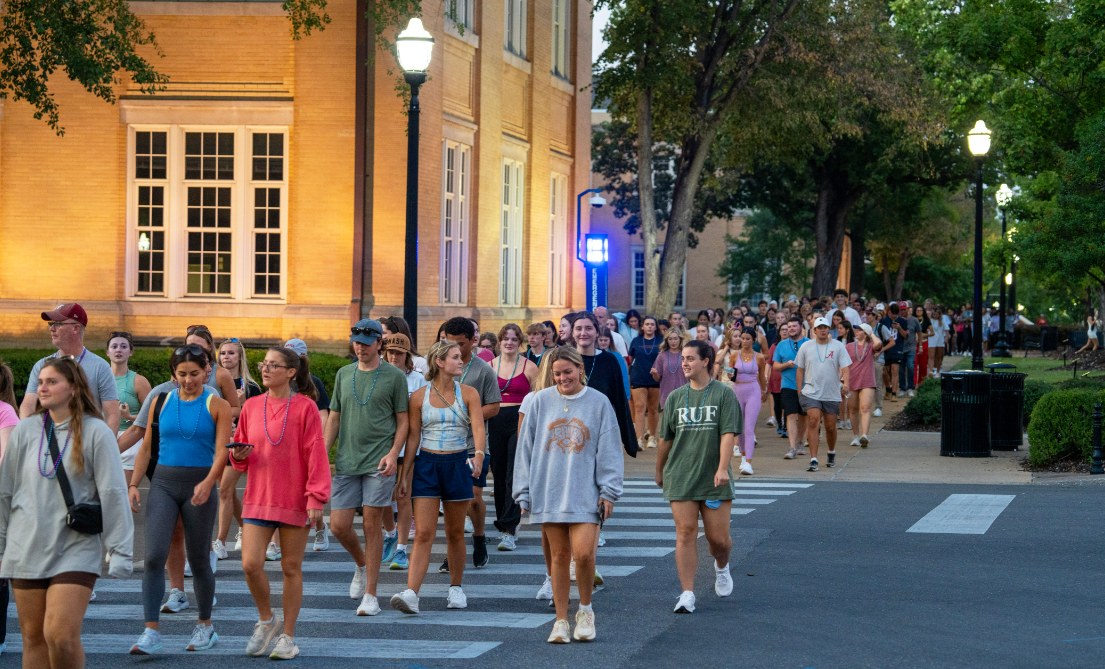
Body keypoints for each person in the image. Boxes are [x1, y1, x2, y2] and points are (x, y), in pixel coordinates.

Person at [0, 357, 133, 668]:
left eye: (51, 382)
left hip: (75, 547)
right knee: (33, 637)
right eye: (40, 382)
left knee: (59, 635)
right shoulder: (26, 430)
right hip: (25, 547)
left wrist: (120, 550)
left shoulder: (96, 431)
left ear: (73, 388)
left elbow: (113, 493)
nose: (42, 388)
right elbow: (4, 493)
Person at [128, 345, 233, 654]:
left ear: (207, 371)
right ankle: (151, 631)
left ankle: (205, 626)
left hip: (199, 484)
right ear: (173, 374)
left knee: (199, 559)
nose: (188, 381)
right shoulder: (161, 400)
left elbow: (222, 450)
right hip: (162, 483)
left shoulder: (218, 404)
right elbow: (147, 446)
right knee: (154, 555)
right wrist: (134, 483)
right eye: (182, 374)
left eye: (195, 374)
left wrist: (209, 482)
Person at [514, 346, 623, 642]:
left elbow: (610, 450)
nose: (563, 378)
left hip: (585, 491)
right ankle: (560, 619)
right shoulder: (539, 401)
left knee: (585, 554)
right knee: (559, 556)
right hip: (548, 489)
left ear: (580, 369)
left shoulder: (599, 402)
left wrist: (609, 491)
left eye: (568, 372)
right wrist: (522, 491)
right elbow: (525, 449)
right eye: (557, 373)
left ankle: (585, 610)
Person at [230, 347, 331, 659]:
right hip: (258, 497)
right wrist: (237, 455)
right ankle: (266, 619)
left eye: (274, 365)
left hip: (295, 498)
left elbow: (316, 453)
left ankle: (288, 636)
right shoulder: (251, 405)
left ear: (291, 372)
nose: (266, 369)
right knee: (250, 564)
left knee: (290, 566)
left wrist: (316, 496)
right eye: (264, 364)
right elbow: (240, 455)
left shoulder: (305, 408)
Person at [391, 341, 486, 614]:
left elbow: (478, 427)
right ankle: (411, 593)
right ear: (440, 362)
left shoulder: (468, 393)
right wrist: (405, 475)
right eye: (455, 357)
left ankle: (456, 588)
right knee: (423, 532)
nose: (461, 361)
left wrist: (478, 455)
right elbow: (413, 438)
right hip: (427, 464)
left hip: (457, 463)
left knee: (455, 532)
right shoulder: (419, 397)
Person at [325, 319, 409, 616]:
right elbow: (334, 418)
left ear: (379, 344)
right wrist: (322, 453)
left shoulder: (394, 376)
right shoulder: (343, 374)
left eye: (366, 341)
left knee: (372, 525)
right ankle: (361, 564)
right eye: (356, 342)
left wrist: (393, 453)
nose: (360, 347)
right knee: (338, 526)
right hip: (347, 460)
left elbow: (403, 421)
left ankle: (371, 594)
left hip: (379, 461)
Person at [655, 340, 738, 614]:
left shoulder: (724, 394)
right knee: (686, 532)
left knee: (718, 540)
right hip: (681, 474)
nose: (685, 363)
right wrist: (659, 470)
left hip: (714, 476)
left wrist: (723, 467)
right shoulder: (676, 398)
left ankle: (721, 566)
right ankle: (687, 593)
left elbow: (728, 433)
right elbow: (665, 439)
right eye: (683, 359)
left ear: (706, 361)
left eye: (690, 358)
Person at [438, 317, 502, 570]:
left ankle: (478, 538)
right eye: (448, 343)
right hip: (441, 443)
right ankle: (453, 552)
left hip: (473, 444)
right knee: (451, 502)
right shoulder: (439, 365)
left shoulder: (483, 370)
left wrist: (466, 414)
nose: (454, 349)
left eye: (460, 344)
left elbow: (494, 407)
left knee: (473, 497)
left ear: (473, 341)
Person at [19, 303, 120, 432]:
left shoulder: (100, 367)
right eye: (51, 324)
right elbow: (28, 405)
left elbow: (112, 414)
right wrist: (33, 437)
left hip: (85, 446)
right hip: (49, 444)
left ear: (76, 328)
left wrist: (103, 446)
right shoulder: (42, 365)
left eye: (59, 324)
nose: (52, 328)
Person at [488, 324, 538, 551]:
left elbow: (538, 400)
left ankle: (509, 528)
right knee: (498, 473)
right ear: (500, 342)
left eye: (514, 339)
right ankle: (503, 522)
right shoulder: (489, 367)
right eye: (505, 339)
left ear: (520, 342)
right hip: (495, 421)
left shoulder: (530, 367)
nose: (509, 343)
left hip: (519, 420)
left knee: (512, 474)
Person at [380, 332, 428, 569]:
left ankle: (401, 549)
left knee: (402, 494)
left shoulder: (417, 379)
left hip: (409, 446)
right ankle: (389, 534)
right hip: (383, 444)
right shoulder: (379, 376)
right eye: (390, 351)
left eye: (399, 353)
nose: (394, 356)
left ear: (407, 355)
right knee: (380, 497)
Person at [283, 339, 333, 551]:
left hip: (308, 444)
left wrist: (317, 441)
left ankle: (320, 528)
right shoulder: (281, 381)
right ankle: (279, 540)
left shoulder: (313, 383)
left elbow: (324, 413)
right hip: (285, 444)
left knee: (309, 489)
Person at [795, 317, 853, 472]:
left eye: (825, 327)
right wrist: (799, 391)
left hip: (831, 392)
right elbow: (799, 370)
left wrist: (845, 383)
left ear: (829, 329)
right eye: (819, 327)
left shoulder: (838, 346)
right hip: (810, 392)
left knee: (830, 427)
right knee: (813, 421)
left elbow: (846, 368)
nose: (822, 330)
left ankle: (831, 451)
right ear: (814, 330)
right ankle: (813, 459)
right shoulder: (806, 347)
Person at [720, 327, 767, 475]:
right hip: (738, 391)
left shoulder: (759, 357)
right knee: (739, 428)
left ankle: (748, 462)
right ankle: (743, 455)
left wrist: (764, 391)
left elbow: (761, 377)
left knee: (749, 428)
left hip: (753, 390)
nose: (744, 341)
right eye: (743, 338)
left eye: (748, 338)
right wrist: (729, 374)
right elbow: (731, 374)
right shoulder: (734, 355)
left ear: (753, 340)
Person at [108, 331, 151, 471]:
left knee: (124, 492)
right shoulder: (98, 379)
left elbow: (152, 417)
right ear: (107, 352)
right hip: (103, 438)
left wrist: (130, 417)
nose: (118, 350)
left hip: (130, 441)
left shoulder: (139, 381)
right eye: (114, 346)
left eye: (123, 346)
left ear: (131, 352)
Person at [774, 317, 810, 460]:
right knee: (791, 415)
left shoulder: (809, 343)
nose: (791, 329)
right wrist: (785, 365)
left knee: (803, 415)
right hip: (788, 385)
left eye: (794, 326)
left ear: (801, 327)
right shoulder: (781, 345)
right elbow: (775, 365)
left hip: (807, 385)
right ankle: (792, 447)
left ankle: (800, 442)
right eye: (789, 327)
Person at [627, 316, 662, 449]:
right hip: (638, 377)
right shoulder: (636, 341)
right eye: (647, 324)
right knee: (639, 408)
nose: (649, 327)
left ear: (655, 327)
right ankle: (639, 439)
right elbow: (630, 361)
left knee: (653, 409)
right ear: (642, 327)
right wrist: (628, 378)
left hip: (655, 378)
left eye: (652, 324)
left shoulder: (661, 341)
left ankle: (652, 437)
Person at [847, 324, 883, 448]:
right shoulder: (849, 346)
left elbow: (878, 344)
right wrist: (842, 380)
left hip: (867, 380)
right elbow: (843, 364)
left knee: (865, 408)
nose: (856, 332)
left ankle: (864, 436)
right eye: (855, 330)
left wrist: (871, 333)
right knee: (852, 409)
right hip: (851, 380)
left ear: (866, 333)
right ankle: (856, 436)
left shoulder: (871, 346)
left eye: (860, 330)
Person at [651, 328, 688, 411]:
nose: (673, 342)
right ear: (666, 340)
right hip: (667, 394)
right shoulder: (661, 356)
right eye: (670, 339)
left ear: (680, 339)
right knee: (669, 422)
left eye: (675, 339)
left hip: (684, 394)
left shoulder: (686, 355)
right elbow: (657, 378)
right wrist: (655, 373)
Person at [896, 303, 921, 396]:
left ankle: (910, 387)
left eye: (904, 309)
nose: (903, 311)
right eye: (901, 309)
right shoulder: (897, 320)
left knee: (910, 366)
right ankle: (902, 388)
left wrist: (920, 345)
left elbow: (919, 332)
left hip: (911, 347)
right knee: (901, 369)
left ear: (908, 309)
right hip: (900, 348)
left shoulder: (914, 320)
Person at [880, 303, 904, 399]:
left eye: (895, 314)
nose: (893, 316)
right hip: (885, 349)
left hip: (897, 349)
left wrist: (899, 328)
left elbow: (905, 336)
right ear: (889, 312)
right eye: (892, 313)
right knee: (884, 372)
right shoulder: (883, 321)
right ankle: (888, 388)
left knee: (895, 371)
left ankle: (894, 393)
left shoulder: (902, 321)